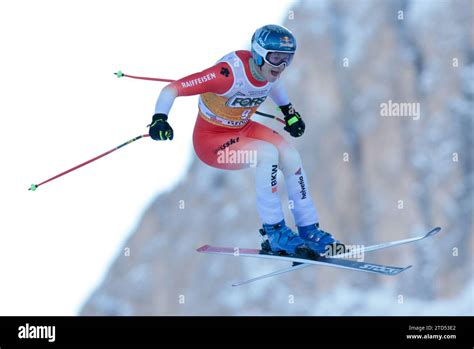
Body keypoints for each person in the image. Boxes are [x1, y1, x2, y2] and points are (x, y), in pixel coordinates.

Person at [149, 24, 342, 255]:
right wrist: (159, 119)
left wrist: (289, 113)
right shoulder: (227, 75)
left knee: (291, 156)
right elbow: (172, 89)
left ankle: (309, 230)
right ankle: (275, 233)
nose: (281, 65)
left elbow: (274, 87)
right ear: (259, 53)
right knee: (267, 154)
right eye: (276, 57)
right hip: (212, 142)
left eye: (287, 59)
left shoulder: (269, 73)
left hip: (242, 128)